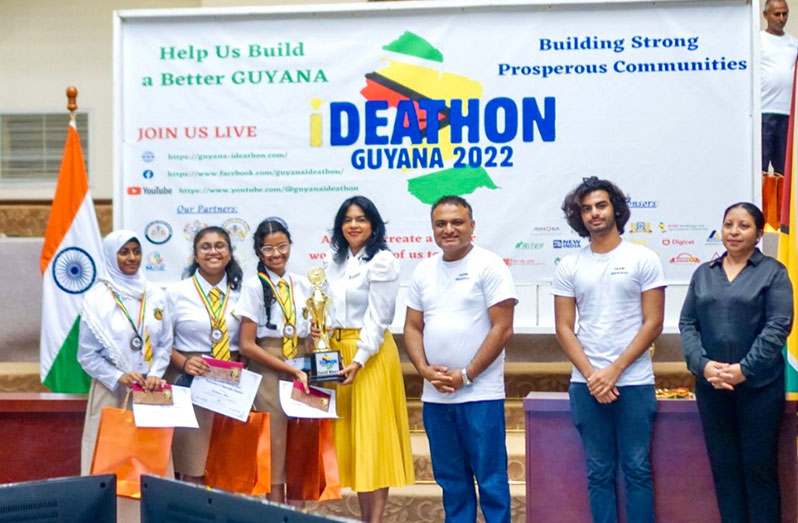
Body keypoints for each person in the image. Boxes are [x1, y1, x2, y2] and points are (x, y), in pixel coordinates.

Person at [552, 177, 666, 523]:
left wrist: (614, 371)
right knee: (598, 472)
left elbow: (653, 323)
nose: (594, 213)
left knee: (637, 469)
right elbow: (563, 328)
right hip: (586, 385)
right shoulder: (569, 265)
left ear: (615, 208)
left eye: (600, 205)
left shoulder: (643, 258)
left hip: (633, 382)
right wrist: (593, 376)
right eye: (586, 209)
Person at [404, 195, 517, 523]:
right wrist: (425, 370)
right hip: (436, 396)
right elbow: (412, 327)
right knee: (451, 482)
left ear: (472, 227)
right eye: (441, 224)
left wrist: (466, 374)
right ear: (433, 229)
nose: (449, 229)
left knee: (491, 480)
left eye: (457, 222)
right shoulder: (424, 270)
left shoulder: (490, 265)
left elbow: (503, 328)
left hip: (479, 394)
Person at [680, 202, 793, 523]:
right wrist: (702, 365)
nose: (734, 231)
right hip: (711, 387)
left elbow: (778, 326)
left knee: (759, 469)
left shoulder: (773, 272)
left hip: (759, 388)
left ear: (758, 234)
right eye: (728, 224)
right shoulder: (704, 273)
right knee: (724, 469)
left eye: (743, 226)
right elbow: (688, 324)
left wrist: (744, 370)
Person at [321, 195, 414, 523]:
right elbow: (323, 311)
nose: (354, 225)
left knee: (373, 441)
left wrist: (359, 359)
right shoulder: (333, 262)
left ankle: (374, 520)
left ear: (373, 225)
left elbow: (379, 318)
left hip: (369, 357)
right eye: (347, 219)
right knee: (354, 444)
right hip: (336, 355)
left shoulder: (383, 261)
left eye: (361, 219)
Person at [78, 230, 172, 475]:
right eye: (124, 252)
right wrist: (118, 375)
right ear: (111, 256)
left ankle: (148, 515)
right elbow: (86, 355)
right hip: (112, 391)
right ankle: (114, 515)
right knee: (109, 464)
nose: (132, 258)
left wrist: (155, 373)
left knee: (152, 461)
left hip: (151, 390)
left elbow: (164, 344)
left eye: (136, 251)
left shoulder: (155, 294)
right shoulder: (97, 299)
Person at [234, 217, 311, 503]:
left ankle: (299, 513)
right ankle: (275, 512)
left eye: (282, 246)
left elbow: (309, 335)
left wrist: (315, 337)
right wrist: (289, 368)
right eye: (269, 249)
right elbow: (246, 344)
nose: (277, 254)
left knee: (302, 444)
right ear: (258, 252)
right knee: (275, 446)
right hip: (269, 370)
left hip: (301, 366)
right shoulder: (254, 286)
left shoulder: (303, 284)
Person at [165, 226, 243, 484]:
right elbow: (160, 343)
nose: (213, 251)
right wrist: (184, 363)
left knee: (229, 464)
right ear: (195, 256)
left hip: (230, 386)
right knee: (192, 464)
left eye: (220, 245)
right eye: (205, 247)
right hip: (190, 382)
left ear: (230, 253)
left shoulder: (243, 294)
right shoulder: (175, 293)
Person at [761, 0, 798, 176]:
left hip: (785, 113)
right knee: (760, 164)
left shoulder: (794, 43)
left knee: (782, 168)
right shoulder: (758, 40)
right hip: (763, 111)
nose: (781, 18)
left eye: (785, 14)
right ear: (766, 15)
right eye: (777, 14)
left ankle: (779, 204)